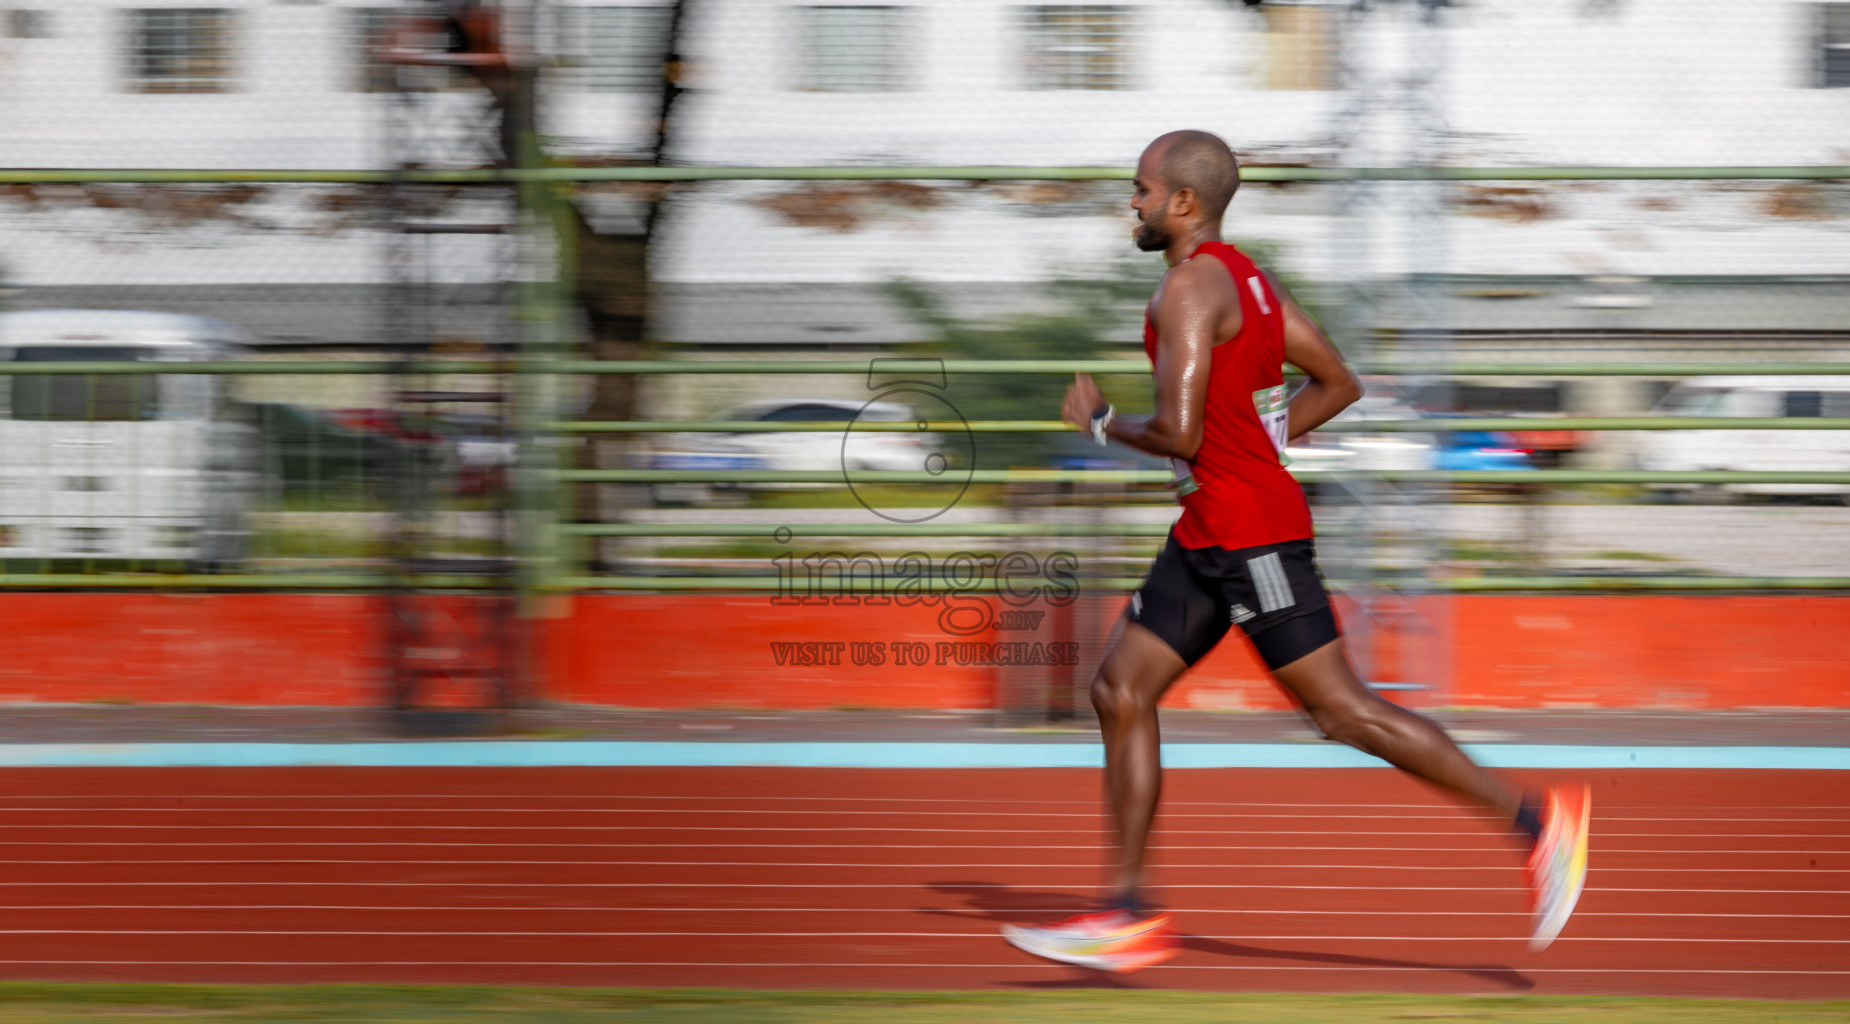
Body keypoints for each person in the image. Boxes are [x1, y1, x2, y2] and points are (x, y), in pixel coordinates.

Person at [999, 130, 1590, 974]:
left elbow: (1178, 431)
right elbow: (1337, 382)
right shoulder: (1251, 281)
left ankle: (1538, 827)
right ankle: (1126, 914)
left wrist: (1101, 424)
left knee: (1341, 712)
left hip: (1252, 539)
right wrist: (1263, 442)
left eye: (1139, 189)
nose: (1129, 203)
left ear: (1183, 203)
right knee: (1119, 689)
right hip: (1207, 531)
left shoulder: (1189, 291)